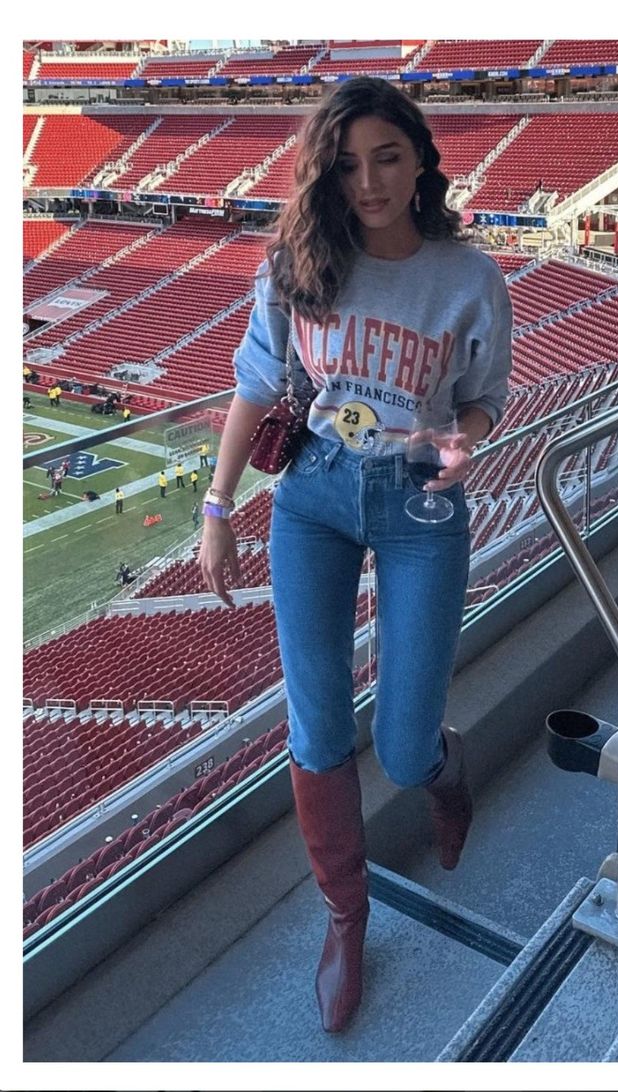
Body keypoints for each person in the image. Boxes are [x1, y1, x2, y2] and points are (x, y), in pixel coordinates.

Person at [198, 78, 513, 1034]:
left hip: (417, 501)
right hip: (315, 498)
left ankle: (442, 772)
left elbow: (483, 394)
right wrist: (217, 506)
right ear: (324, 174)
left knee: (403, 740)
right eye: (345, 164)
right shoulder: (297, 261)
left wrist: (462, 442)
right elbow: (256, 384)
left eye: (385, 156)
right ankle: (346, 916)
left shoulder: (469, 276)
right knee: (317, 726)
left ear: (420, 159)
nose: (367, 181)